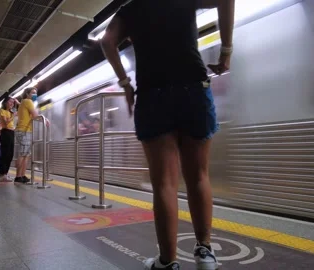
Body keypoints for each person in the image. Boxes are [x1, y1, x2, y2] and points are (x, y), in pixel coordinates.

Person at [100, 1, 235, 269]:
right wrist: (226, 51)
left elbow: (107, 41)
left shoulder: (130, 8)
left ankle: (168, 262)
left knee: (164, 184)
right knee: (199, 175)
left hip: (153, 94)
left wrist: (125, 83)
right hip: (193, 88)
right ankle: (205, 251)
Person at [14, 87, 39, 183]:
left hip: (25, 130)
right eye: (33, 93)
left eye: (36, 93)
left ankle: (22, 175)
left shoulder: (23, 103)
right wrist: (45, 120)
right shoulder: (28, 101)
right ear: (27, 94)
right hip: (24, 130)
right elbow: (35, 115)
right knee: (23, 154)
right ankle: (18, 176)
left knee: (26, 154)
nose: (35, 95)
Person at [0, 96, 19, 181]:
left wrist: (17, 104)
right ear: (5, 102)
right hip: (5, 132)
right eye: (10, 101)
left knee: (10, 154)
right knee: (5, 154)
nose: (12, 104)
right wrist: (13, 115)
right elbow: (6, 123)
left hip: (11, 132)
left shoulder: (11, 113)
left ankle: (5, 173)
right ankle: (2, 173)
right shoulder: (2, 111)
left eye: (13, 102)